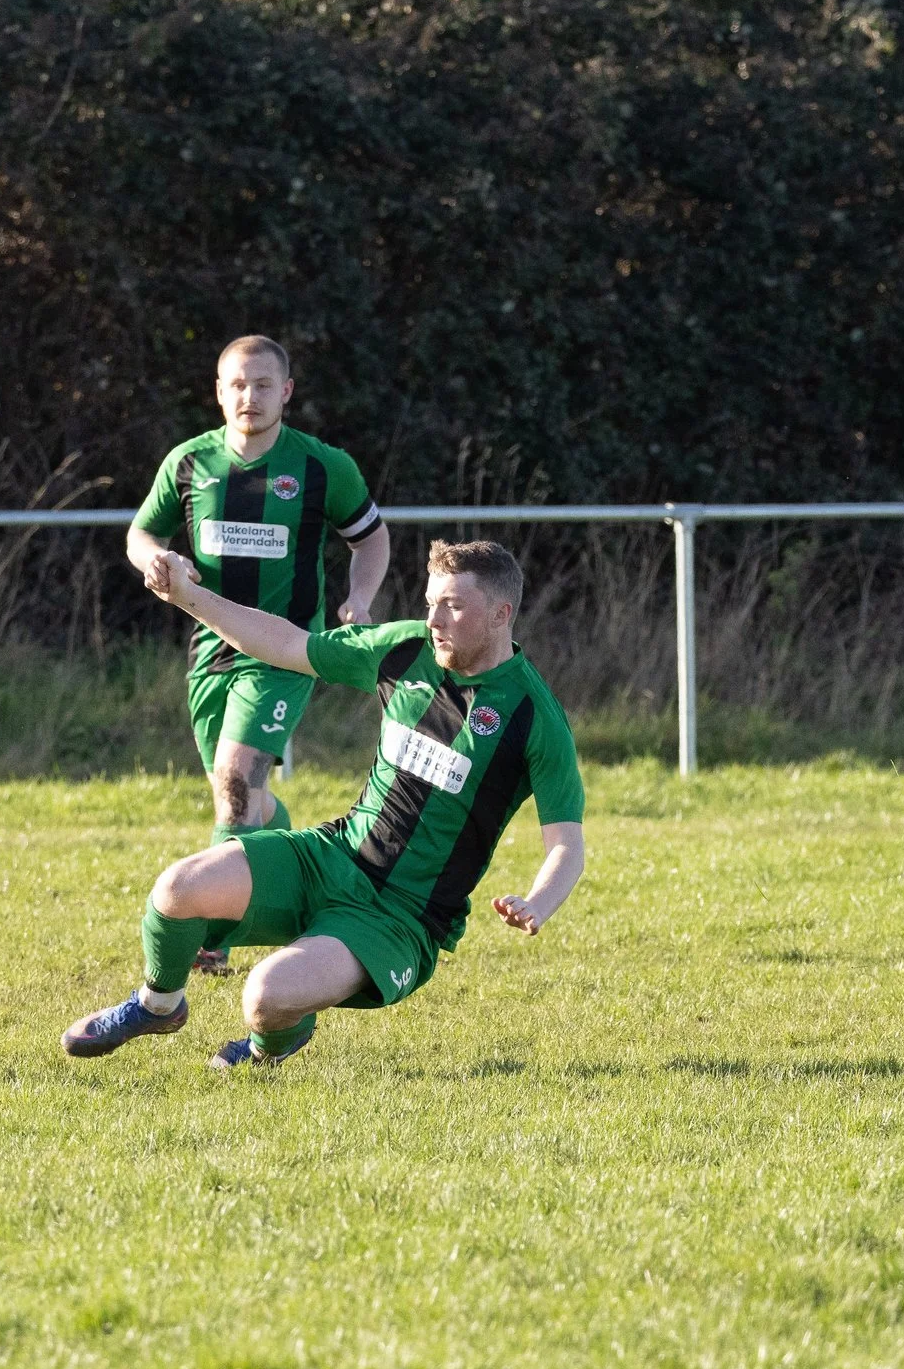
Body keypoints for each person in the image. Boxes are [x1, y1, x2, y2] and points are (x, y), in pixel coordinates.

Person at [63, 539, 585, 1070]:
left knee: (264, 998)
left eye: (451, 605)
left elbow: (567, 846)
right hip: (333, 855)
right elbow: (286, 644)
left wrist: (538, 902)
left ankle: (273, 1043)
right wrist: (187, 597)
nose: (433, 620)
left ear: (501, 613)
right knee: (177, 888)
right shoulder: (405, 652)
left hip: (400, 918)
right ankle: (158, 1006)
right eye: (430, 603)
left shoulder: (533, 716)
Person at [128, 336, 389, 971]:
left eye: (264, 385)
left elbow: (372, 538)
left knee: (236, 779)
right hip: (210, 649)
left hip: (286, 651)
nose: (251, 396)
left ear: (287, 391)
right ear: (219, 392)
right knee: (245, 797)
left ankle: (213, 934)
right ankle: (291, 855)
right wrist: (155, 561)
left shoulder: (323, 467)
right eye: (238, 385)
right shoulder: (189, 463)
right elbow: (141, 534)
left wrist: (358, 599)